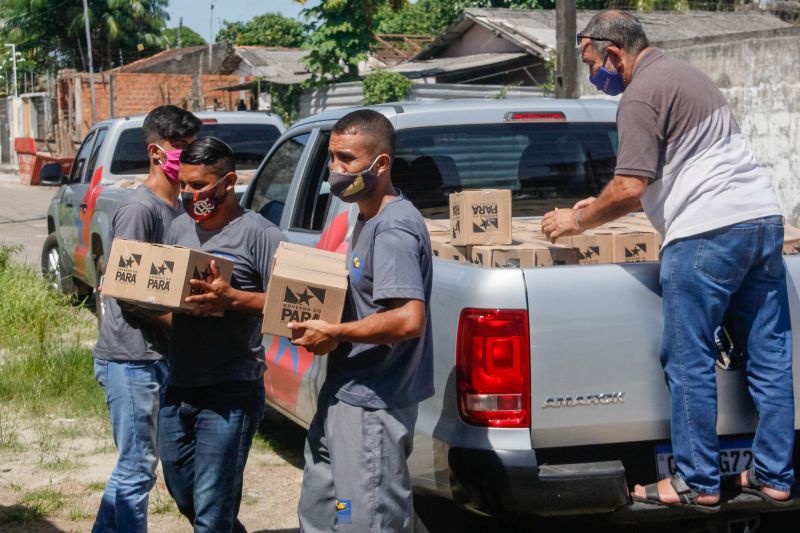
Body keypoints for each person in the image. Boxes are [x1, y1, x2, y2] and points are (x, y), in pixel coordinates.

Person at [543, 10, 794, 511]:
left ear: (613, 53)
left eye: (593, 63)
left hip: (705, 232)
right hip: (763, 222)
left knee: (688, 358)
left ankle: (696, 482)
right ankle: (774, 475)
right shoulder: (687, 75)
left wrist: (578, 221)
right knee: (769, 355)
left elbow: (631, 188)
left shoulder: (639, 95)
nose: (595, 76)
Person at [289, 109, 434, 532]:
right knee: (329, 509)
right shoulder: (367, 216)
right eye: (332, 158)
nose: (336, 170)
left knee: (365, 519)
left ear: (381, 164)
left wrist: (335, 332)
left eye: (347, 160)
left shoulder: (393, 229)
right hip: (347, 394)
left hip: (374, 403)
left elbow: (408, 319)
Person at [158, 137, 286, 532]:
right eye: (183, 185)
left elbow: (289, 305)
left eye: (199, 186)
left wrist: (232, 300)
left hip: (232, 388)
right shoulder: (179, 227)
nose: (189, 194)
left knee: (212, 513)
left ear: (228, 182)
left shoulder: (261, 235)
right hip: (178, 383)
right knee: (185, 493)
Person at [92, 104, 202, 532]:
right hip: (132, 360)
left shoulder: (180, 209)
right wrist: (184, 328)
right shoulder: (141, 210)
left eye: (192, 149)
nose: (188, 158)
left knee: (139, 466)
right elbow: (128, 290)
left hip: (158, 357)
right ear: (156, 152)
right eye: (181, 149)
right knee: (137, 469)